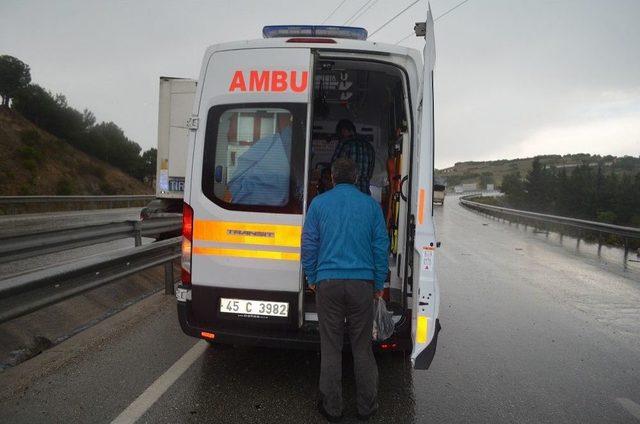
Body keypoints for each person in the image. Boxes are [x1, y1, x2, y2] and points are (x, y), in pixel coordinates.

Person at [301, 158, 389, 422]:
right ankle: (367, 408)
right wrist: (377, 283)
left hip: (328, 283)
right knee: (362, 348)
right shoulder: (370, 206)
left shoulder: (319, 204)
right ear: (356, 177)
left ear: (332, 177)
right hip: (361, 284)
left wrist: (313, 277)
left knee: (331, 347)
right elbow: (380, 246)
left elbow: (309, 244)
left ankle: (332, 408)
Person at [331, 119, 375, 195]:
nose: (340, 137)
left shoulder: (345, 145)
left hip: (347, 194)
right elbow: (370, 173)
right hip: (364, 193)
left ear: (344, 131)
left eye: (340, 134)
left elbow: (334, 166)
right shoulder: (369, 146)